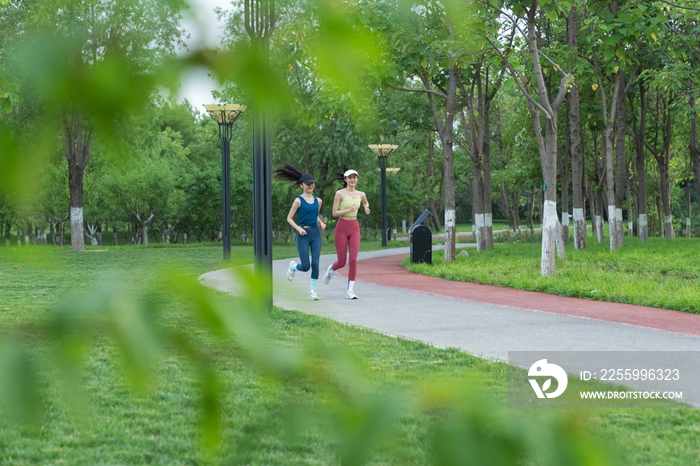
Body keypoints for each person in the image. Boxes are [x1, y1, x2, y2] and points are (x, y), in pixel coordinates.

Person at [274, 164, 326, 300]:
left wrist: (320, 222)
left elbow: (314, 215)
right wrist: (298, 228)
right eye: (308, 184)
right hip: (303, 236)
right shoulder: (298, 201)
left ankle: (312, 292)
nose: (311, 186)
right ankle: (294, 267)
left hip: (315, 235)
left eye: (312, 183)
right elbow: (289, 218)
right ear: (302, 185)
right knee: (306, 266)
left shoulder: (318, 201)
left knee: (315, 264)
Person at [324, 168, 370, 299]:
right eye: (350, 177)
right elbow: (334, 213)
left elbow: (366, 202)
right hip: (342, 228)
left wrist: (367, 208)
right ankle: (330, 270)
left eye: (355, 177)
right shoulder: (340, 194)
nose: (352, 180)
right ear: (345, 180)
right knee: (342, 262)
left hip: (354, 228)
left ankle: (350, 290)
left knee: (354, 260)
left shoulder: (361, 194)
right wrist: (349, 209)